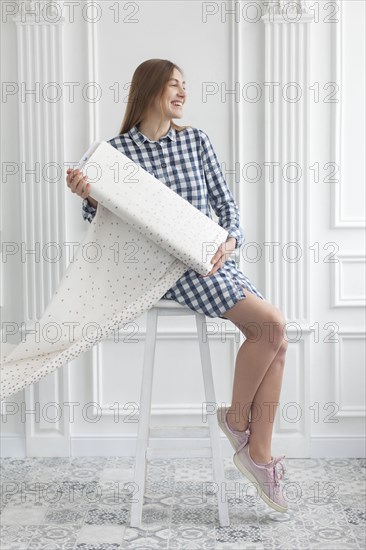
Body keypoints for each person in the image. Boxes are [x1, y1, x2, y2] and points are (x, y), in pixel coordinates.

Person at [66, 59, 289, 513]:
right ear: (149, 90)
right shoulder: (117, 152)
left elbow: (227, 207)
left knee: (276, 338)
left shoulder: (197, 141)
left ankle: (255, 450)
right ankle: (238, 426)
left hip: (210, 258)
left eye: (185, 86)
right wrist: (88, 194)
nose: (183, 93)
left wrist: (230, 241)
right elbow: (103, 225)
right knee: (271, 325)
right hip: (167, 270)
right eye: (174, 85)